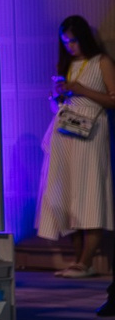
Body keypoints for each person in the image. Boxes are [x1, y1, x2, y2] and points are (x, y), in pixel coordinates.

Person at [37, 16, 114, 281]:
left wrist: (81, 89)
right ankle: (77, 260)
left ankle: (86, 261)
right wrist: (58, 95)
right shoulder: (66, 65)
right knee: (68, 193)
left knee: (90, 193)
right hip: (65, 131)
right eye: (65, 42)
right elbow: (55, 106)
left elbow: (112, 100)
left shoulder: (101, 61)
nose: (70, 46)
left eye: (73, 40)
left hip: (91, 131)